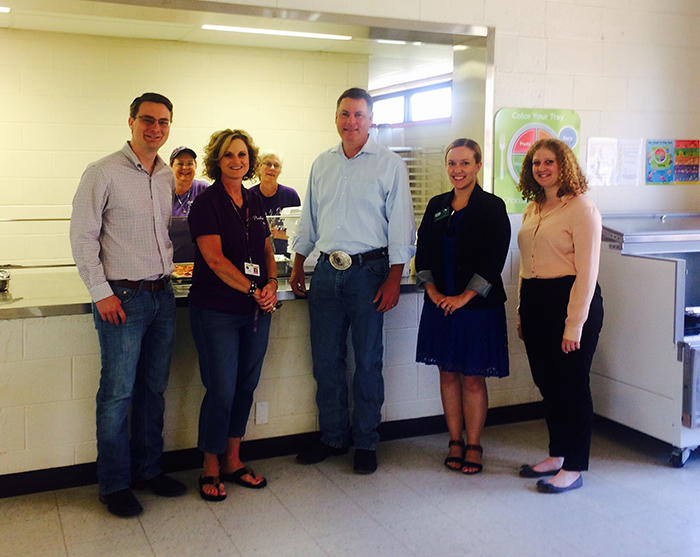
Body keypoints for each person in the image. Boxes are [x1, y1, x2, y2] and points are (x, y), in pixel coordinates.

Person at [70, 92, 186, 518]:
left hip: (162, 295)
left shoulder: (165, 175)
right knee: (118, 395)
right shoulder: (102, 172)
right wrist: (100, 292)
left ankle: (148, 470)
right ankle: (115, 483)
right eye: (148, 120)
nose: (155, 128)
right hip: (123, 298)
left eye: (164, 121)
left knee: (153, 390)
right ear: (132, 122)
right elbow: (82, 237)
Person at [290, 87, 416, 474]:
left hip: (369, 273)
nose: (351, 122)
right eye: (345, 114)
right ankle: (332, 436)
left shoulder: (388, 164)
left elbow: (401, 226)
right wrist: (297, 264)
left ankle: (365, 441)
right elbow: (309, 218)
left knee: (367, 362)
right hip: (327, 272)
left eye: (359, 115)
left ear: (370, 119)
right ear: (336, 118)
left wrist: (395, 277)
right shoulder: (322, 164)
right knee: (326, 362)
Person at [187, 129, 278, 501]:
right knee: (222, 389)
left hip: (254, 309)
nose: (236, 161)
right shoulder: (206, 204)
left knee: (245, 386)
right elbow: (214, 259)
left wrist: (271, 282)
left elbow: (268, 248)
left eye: (242, 155)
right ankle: (210, 465)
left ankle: (233, 461)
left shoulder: (254, 202)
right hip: (216, 311)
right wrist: (255, 290)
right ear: (217, 160)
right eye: (228, 155)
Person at [415, 138, 510, 475]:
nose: (458, 170)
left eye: (465, 163)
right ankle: (454, 440)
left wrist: (463, 298)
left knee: (471, 378)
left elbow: (493, 259)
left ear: (478, 166)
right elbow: (423, 251)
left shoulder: (492, 207)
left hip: (476, 308)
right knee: (447, 374)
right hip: (440, 305)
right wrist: (433, 292)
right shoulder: (437, 205)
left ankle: (474, 444)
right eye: (452, 164)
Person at [516, 138, 604, 494]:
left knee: (572, 386)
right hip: (536, 301)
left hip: (570, 300)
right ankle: (557, 454)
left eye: (549, 162)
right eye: (536, 163)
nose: (542, 168)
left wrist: (574, 325)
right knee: (548, 384)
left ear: (563, 165)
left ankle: (575, 465)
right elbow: (526, 266)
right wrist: (523, 310)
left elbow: (587, 273)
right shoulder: (533, 208)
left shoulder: (582, 208)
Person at [248, 150, 301, 255]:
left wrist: (277, 234)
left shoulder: (290, 196)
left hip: (285, 255)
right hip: (256, 254)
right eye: (268, 164)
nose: (272, 168)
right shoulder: (248, 196)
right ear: (258, 168)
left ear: (279, 171)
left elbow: (299, 232)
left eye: (276, 165)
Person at [170, 146, 208, 217]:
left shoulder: (204, 189)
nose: (185, 167)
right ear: (171, 167)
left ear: (195, 166)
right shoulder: (163, 191)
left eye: (190, 164)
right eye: (180, 164)